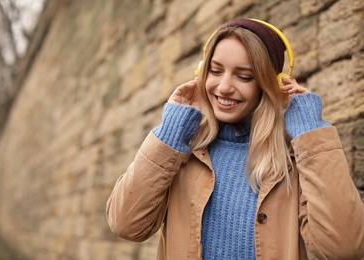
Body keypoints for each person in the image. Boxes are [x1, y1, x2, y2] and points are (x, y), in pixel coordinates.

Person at [106, 18, 364, 260]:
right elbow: (126, 224)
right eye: (215, 71)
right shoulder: (183, 152)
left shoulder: (293, 161)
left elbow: (346, 248)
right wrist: (170, 130)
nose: (224, 86)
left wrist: (310, 131)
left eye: (244, 76)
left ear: (270, 84)